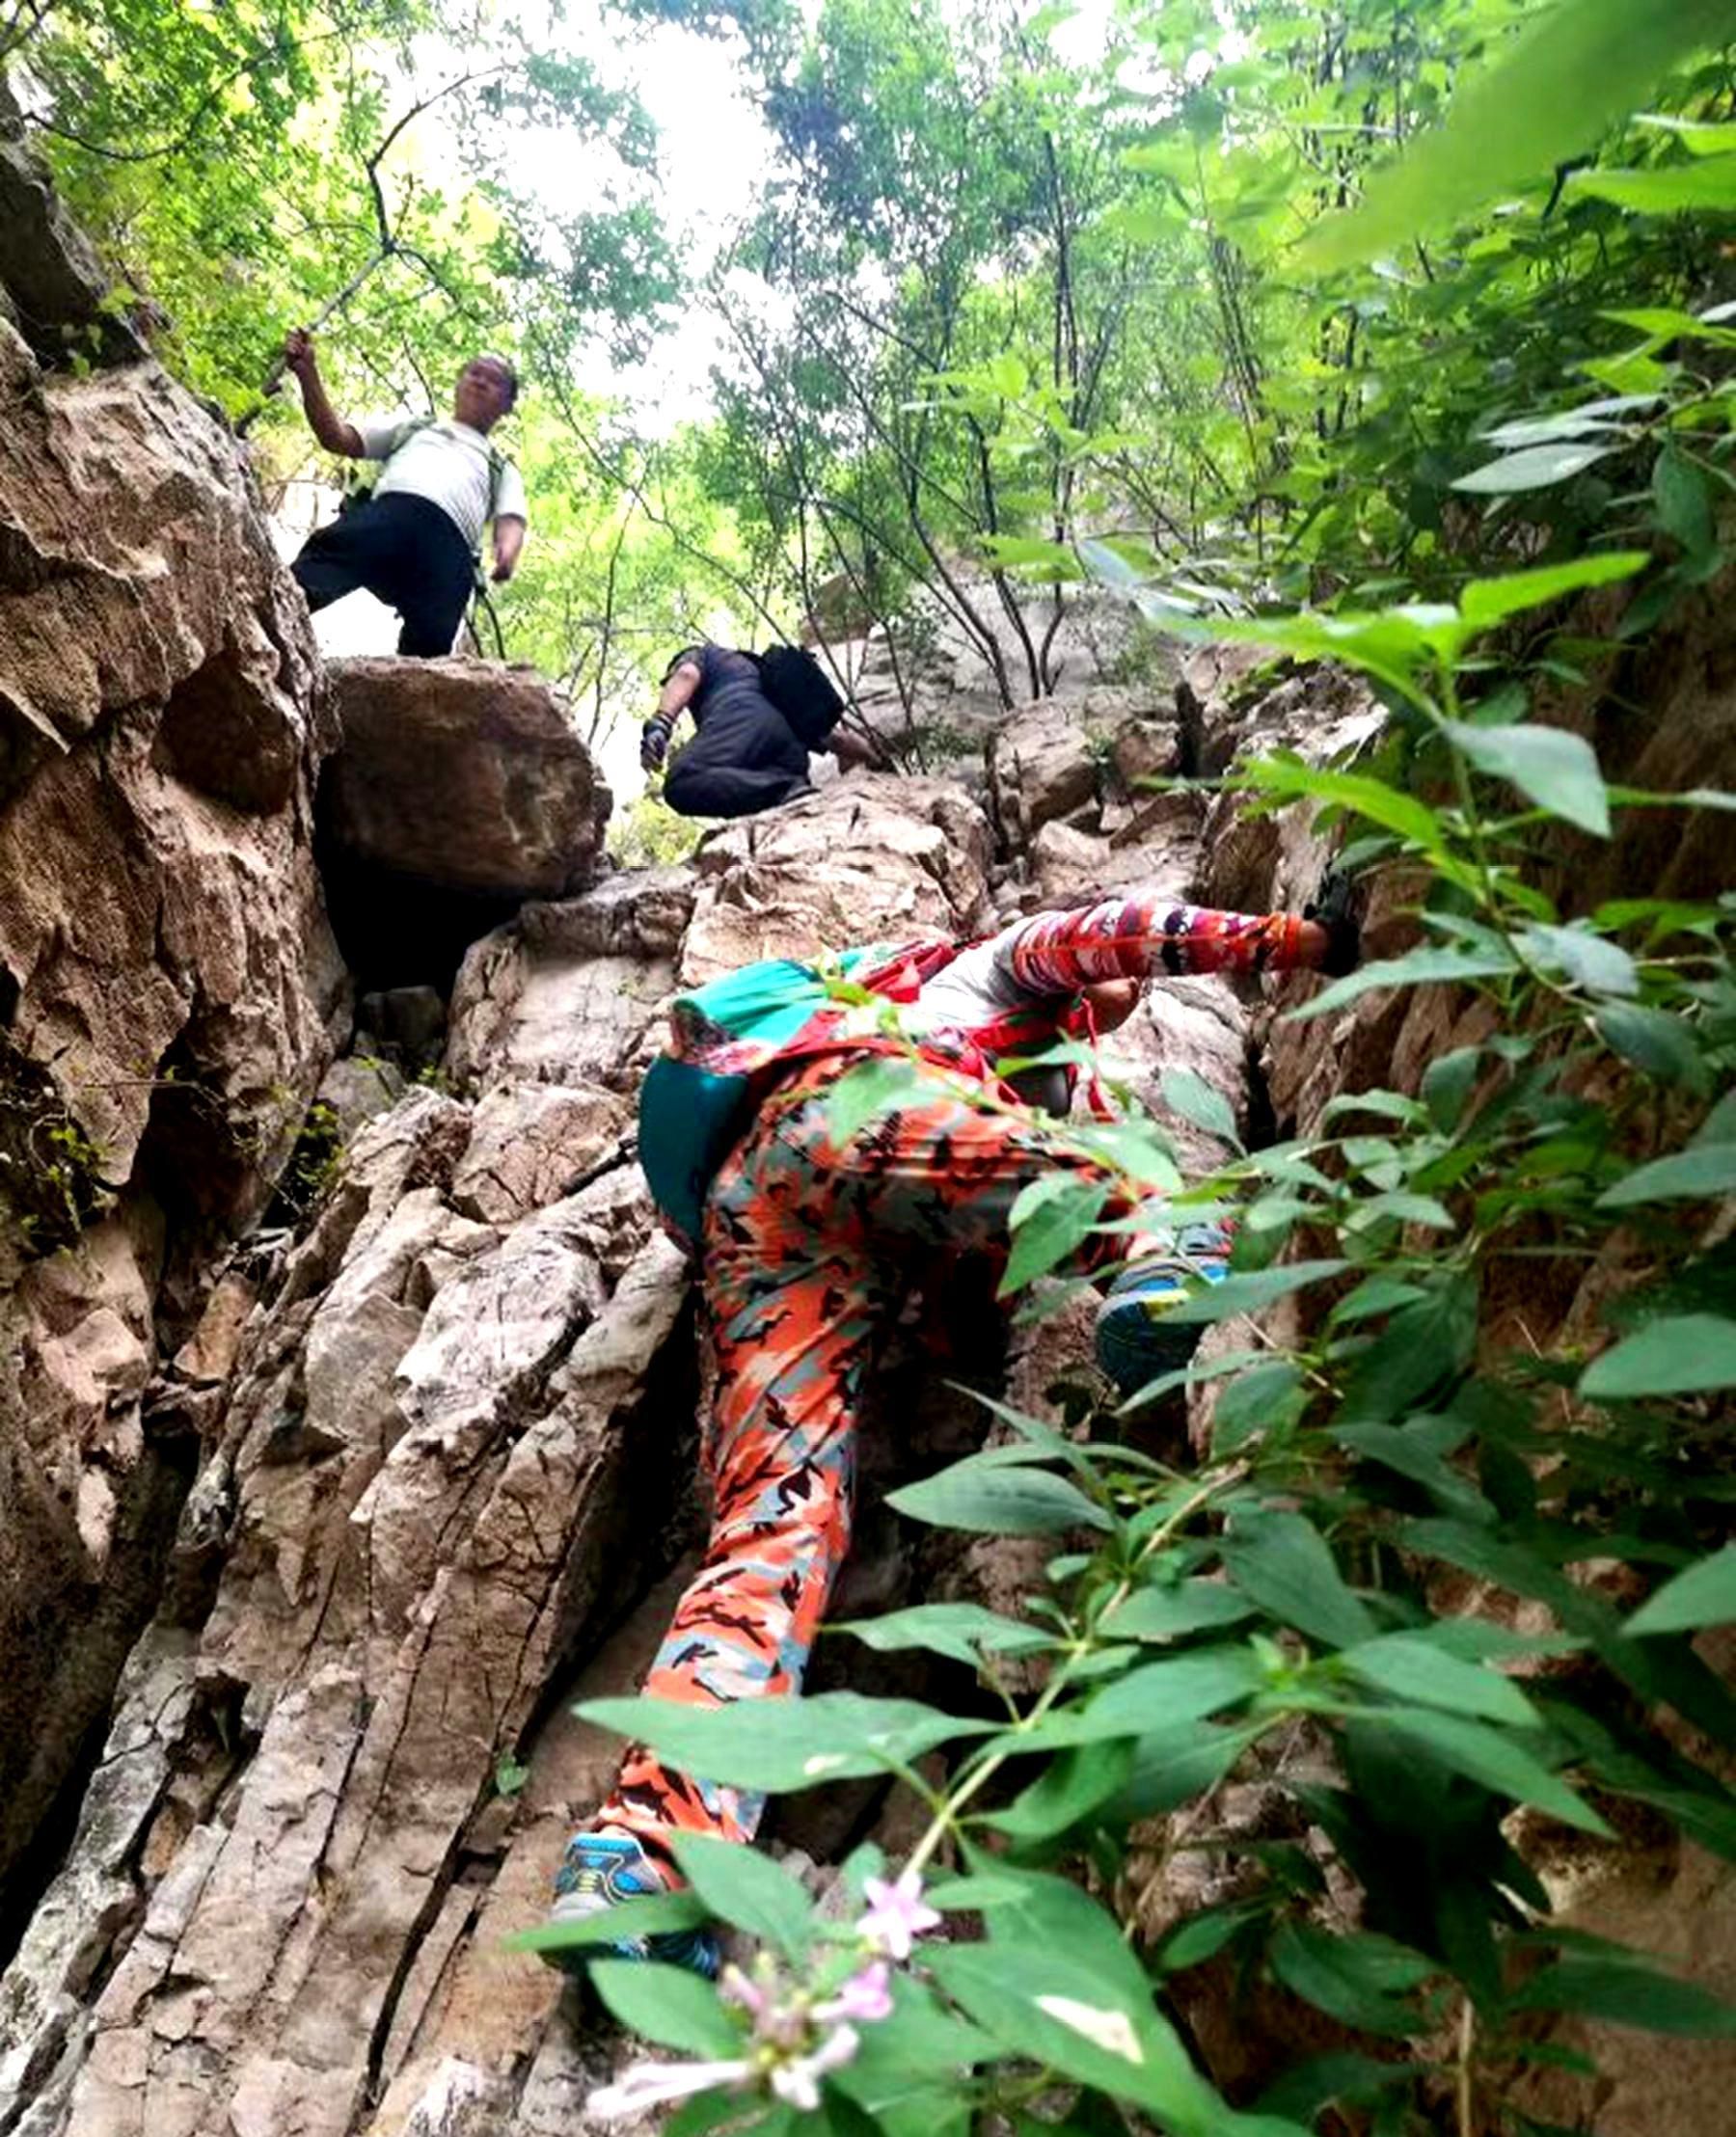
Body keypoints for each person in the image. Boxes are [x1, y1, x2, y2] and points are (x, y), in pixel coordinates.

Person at [545, 885, 1357, 1979]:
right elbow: (1104, 931)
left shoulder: (983, 1053)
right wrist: (1287, 938)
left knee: (775, 1525)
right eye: (1093, 1003)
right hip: (854, 1104)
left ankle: (642, 1863)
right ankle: (1157, 1244)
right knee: (1124, 1191)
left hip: (755, 1209)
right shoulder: (973, 974)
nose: (1106, 1003)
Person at [281, 330, 529, 657]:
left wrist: (507, 555)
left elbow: (511, 520)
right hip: (389, 518)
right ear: (458, 383)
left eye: (493, 380)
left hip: (448, 547)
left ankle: (415, 688)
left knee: (433, 639)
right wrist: (308, 374)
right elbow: (336, 437)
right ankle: (273, 612)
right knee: (314, 571)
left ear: (507, 405)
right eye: (474, 373)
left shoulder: (501, 468)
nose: (480, 382)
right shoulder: (415, 429)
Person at [641, 643, 881, 820]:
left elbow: (687, 674)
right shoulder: (775, 684)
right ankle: (791, 790)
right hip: (791, 756)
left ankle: (784, 789)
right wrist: (877, 762)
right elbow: (835, 739)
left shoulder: (701, 655)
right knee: (738, 783)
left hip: (742, 716)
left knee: (682, 781)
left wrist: (661, 724)